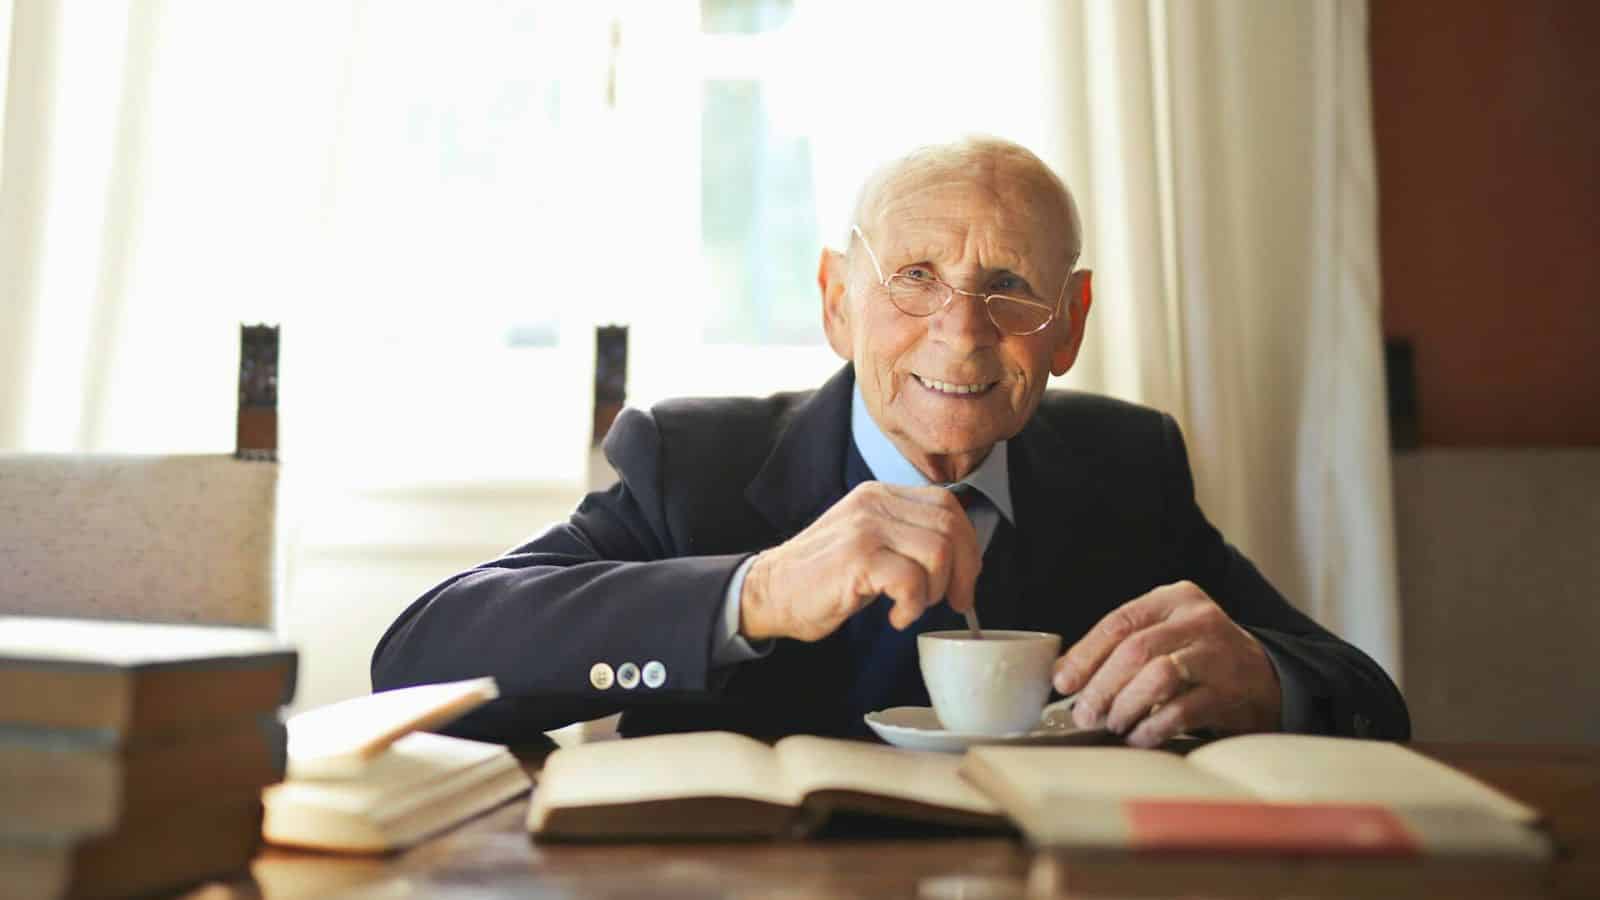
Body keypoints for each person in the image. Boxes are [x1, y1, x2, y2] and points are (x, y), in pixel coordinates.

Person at [371, 137, 1409, 748]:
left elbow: (1367, 698)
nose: (962, 333)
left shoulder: (1127, 467)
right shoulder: (694, 463)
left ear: (1071, 323)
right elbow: (419, 660)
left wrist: (1268, 679)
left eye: (1010, 287)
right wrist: (757, 591)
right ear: (837, 300)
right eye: (914, 277)